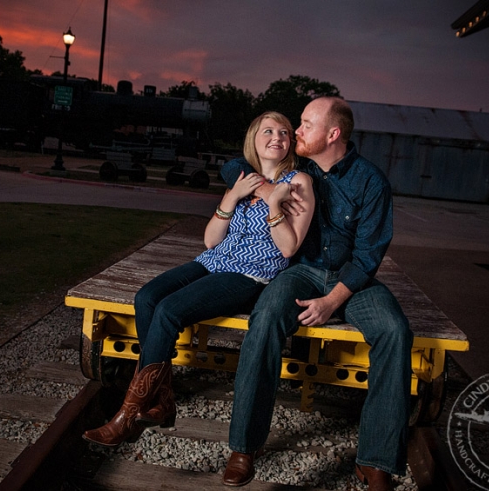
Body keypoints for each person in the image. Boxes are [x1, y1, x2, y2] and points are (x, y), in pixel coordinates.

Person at [82, 111, 315, 449]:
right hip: (213, 261)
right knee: (147, 297)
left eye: (283, 132)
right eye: (268, 131)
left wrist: (274, 203)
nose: (276, 137)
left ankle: (128, 416)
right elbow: (210, 241)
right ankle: (162, 401)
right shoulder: (243, 179)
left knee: (169, 311)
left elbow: (289, 246)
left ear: (291, 143)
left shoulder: (298, 183)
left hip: (251, 274)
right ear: (253, 138)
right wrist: (231, 197)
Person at [220, 97, 412, 491]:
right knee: (266, 316)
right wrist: (264, 188)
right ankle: (244, 447)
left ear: (333, 134)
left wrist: (332, 301)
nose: (297, 132)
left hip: (350, 280)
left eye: (306, 124)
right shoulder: (297, 168)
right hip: (301, 272)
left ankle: (376, 462)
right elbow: (233, 166)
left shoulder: (370, 181)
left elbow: (369, 254)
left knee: (395, 331)